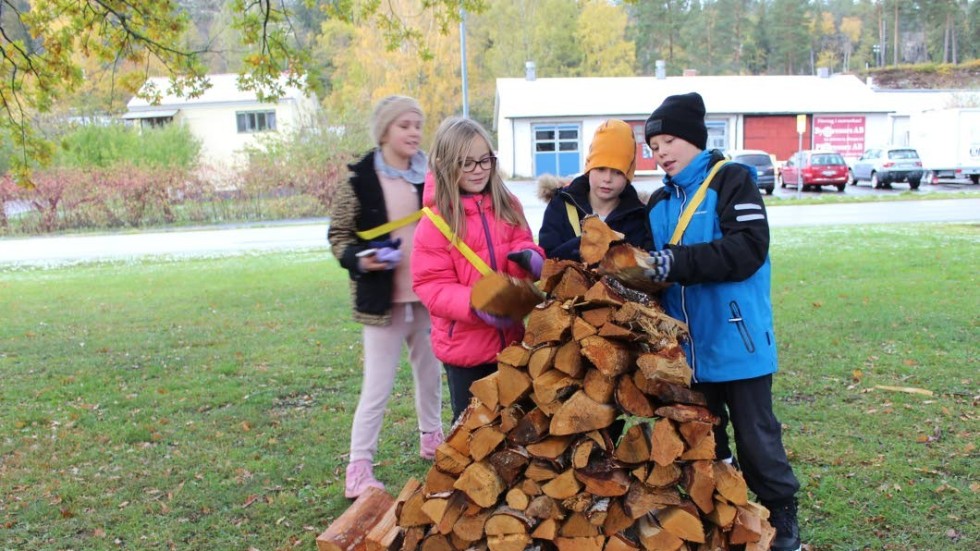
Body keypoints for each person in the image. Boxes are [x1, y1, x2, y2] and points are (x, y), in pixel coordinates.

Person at [642, 92, 802, 551]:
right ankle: (723, 510)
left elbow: (748, 249)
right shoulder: (658, 202)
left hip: (739, 341)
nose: (661, 153)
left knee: (757, 439)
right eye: (653, 147)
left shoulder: (732, 180)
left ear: (694, 139)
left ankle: (781, 513)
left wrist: (675, 263)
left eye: (669, 140)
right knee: (706, 436)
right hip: (688, 349)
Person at [327, 95, 443, 499]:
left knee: (431, 378)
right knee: (377, 387)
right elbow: (339, 237)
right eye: (404, 125)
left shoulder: (430, 173)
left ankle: (433, 440)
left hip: (428, 297)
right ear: (385, 130)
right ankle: (358, 469)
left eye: (418, 124)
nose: (414, 132)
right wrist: (362, 258)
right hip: (382, 305)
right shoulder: (359, 179)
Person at [412, 117, 545, 423]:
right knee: (473, 432)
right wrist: (475, 304)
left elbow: (522, 243)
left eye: (484, 160)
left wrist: (532, 258)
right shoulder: (436, 222)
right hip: (465, 352)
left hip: (511, 344)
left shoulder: (507, 204)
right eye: (467, 163)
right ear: (445, 165)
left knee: (515, 425)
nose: (479, 169)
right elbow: (431, 285)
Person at [538, 119, 651, 260]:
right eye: (600, 169)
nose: (607, 179)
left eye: (618, 172)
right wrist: (584, 243)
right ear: (588, 167)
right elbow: (547, 257)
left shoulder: (638, 217)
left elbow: (642, 272)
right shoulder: (560, 206)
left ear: (628, 175)